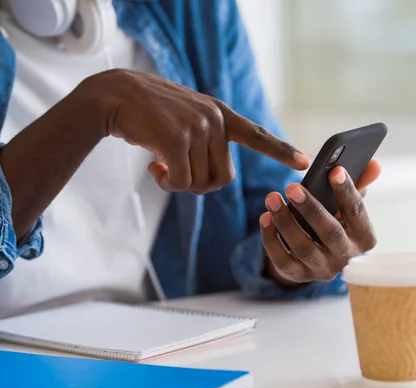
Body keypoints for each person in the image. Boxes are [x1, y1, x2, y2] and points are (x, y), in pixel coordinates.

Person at [0, 0, 380, 317]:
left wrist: (296, 254)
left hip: (163, 350)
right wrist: (93, 108)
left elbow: (256, 224)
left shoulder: (198, 10)